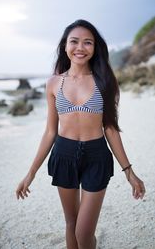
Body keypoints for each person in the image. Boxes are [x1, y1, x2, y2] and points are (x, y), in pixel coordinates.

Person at [16, 19, 146, 249]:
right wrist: (30, 173)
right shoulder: (54, 83)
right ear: (65, 46)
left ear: (95, 48)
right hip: (63, 154)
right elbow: (49, 132)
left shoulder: (104, 81)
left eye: (88, 43)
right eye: (74, 41)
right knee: (71, 223)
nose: (80, 47)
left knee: (84, 233)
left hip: (96, 157)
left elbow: (111, 129)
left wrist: (129, 172)